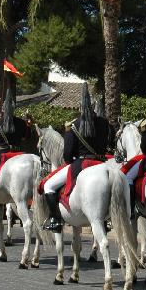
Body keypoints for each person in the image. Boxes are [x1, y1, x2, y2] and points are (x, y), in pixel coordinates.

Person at [42, 83, 111, 230]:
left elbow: (67, 155)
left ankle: (56, 219)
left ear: (79, 108)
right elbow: (108, 144)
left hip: (81, 164)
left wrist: (73, 160)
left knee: (48, 185)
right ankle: (107, 219)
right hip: (101, 162)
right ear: (93, 107)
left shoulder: (73, 125)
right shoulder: (104, 123)